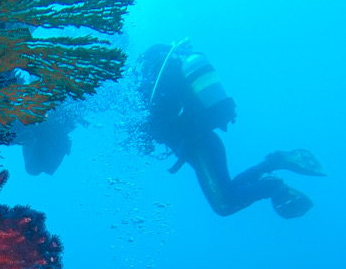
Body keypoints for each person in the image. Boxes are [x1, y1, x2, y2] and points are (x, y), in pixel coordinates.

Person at [134, 42, 326, 218]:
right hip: (204, 144)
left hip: (200, 146)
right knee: (228, 191)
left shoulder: (157, 93)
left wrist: (147, 130)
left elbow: (166, 121)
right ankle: (276, 162)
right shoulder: (163, 89)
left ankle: (273, 184)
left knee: (224, 205)